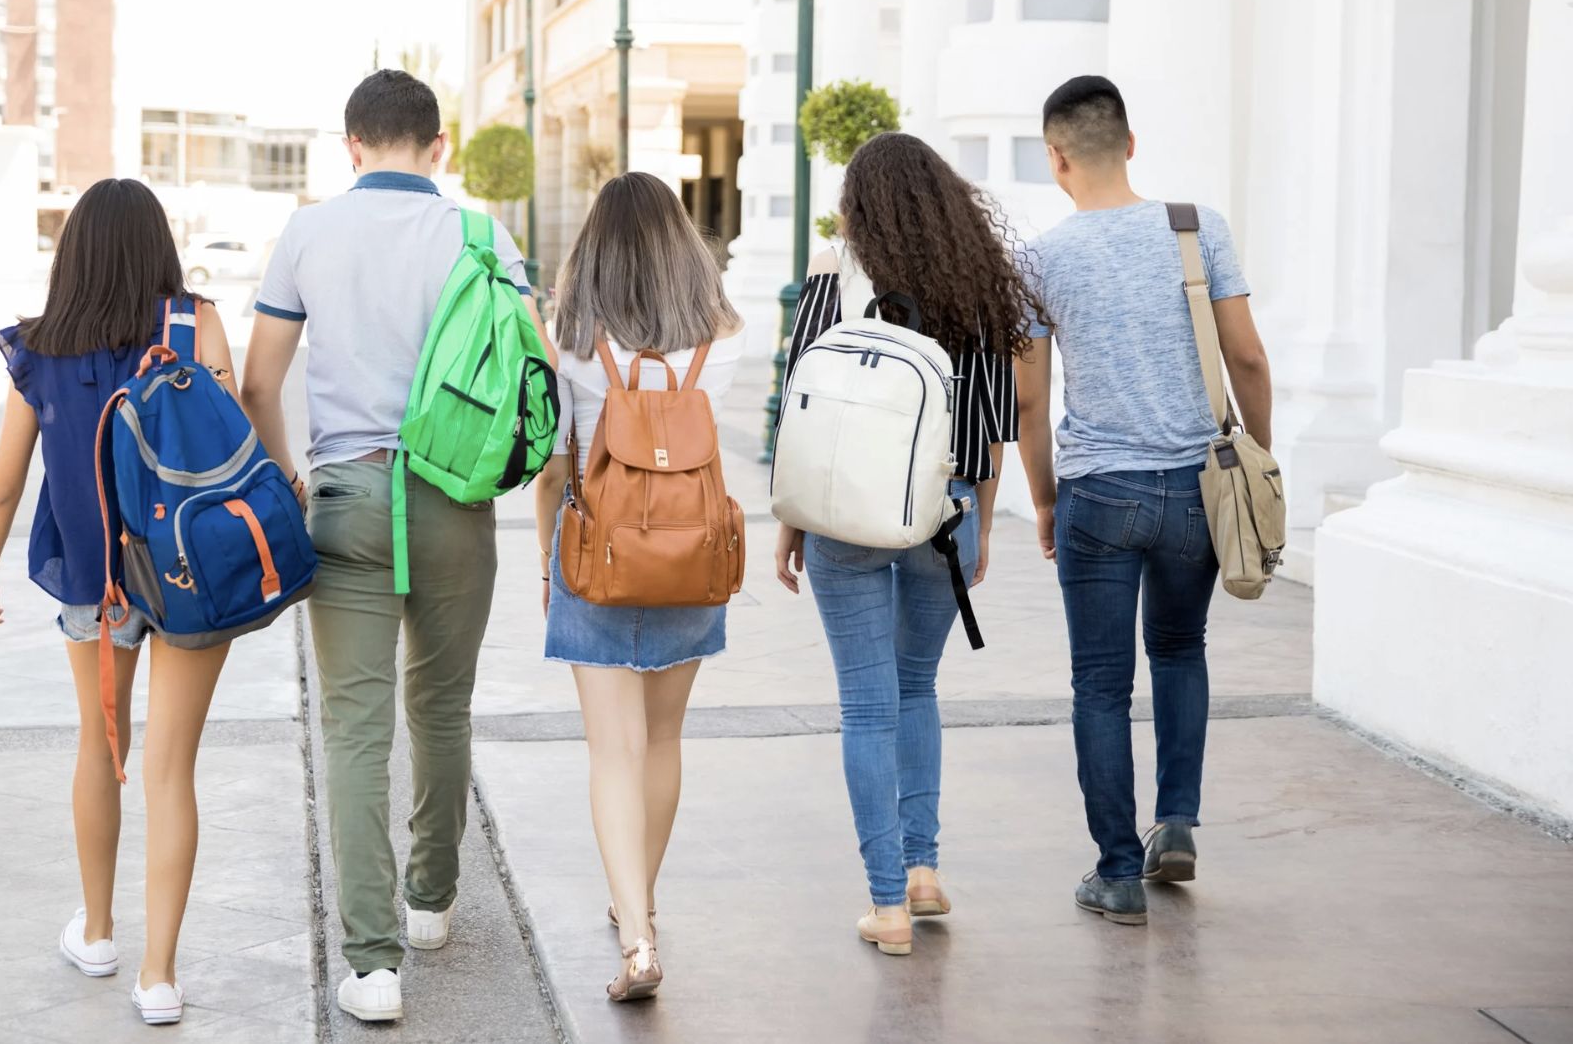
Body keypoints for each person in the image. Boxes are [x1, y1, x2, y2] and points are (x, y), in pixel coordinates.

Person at [238, 70, 552, 1023]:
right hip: (456, 496)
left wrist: (292, 476)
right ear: (438, 148)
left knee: (355, 728)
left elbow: (259, 382)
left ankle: (371, 965)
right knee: (443, 708)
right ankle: (431, 902)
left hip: (345, 495)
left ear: (351, 146)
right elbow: (529, 368)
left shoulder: (307, 232)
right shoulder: (481, 233)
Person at [0, 178, 242, 1026]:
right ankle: (158, 977)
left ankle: (96, 932)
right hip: (192, 573)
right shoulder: (195, 324)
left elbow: (6, 486)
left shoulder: (43, 346)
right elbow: (233, 439)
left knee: (101, 746)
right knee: (171, 767)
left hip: (96, 578)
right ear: (159, 243)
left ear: (75, 251)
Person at [771, 132, 1044, 956]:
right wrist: (984, 518)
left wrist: (788, 521)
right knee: (917, 687)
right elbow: (994, 424)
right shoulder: (978, 277)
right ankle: (923, 871)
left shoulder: (834, 274)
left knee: (866, 702)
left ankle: (887, 906)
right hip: (945, 511)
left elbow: (800, 401)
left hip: (843, 511)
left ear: (859, 203)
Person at [1014, 75, 1274, 925]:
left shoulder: (1042, 257)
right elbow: (1249, 361)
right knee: (1179, 648)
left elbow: (1028, 398)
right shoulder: (1196, 231)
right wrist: (1256, 454)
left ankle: (1118, 873)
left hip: (1098, 489)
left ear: (1057, 160)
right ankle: (1178, 821)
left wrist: (1044, 500)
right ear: (1129, 144)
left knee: (1098, 684)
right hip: (1198, 487)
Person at [533, 171, 746, 1001]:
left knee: (612, 751)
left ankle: (638, 937)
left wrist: (546, 565)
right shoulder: (721, 334)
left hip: (598, 553)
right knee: (662, 743)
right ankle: (638, 905)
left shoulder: (576, 335)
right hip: (693, 558)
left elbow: (556, 466)